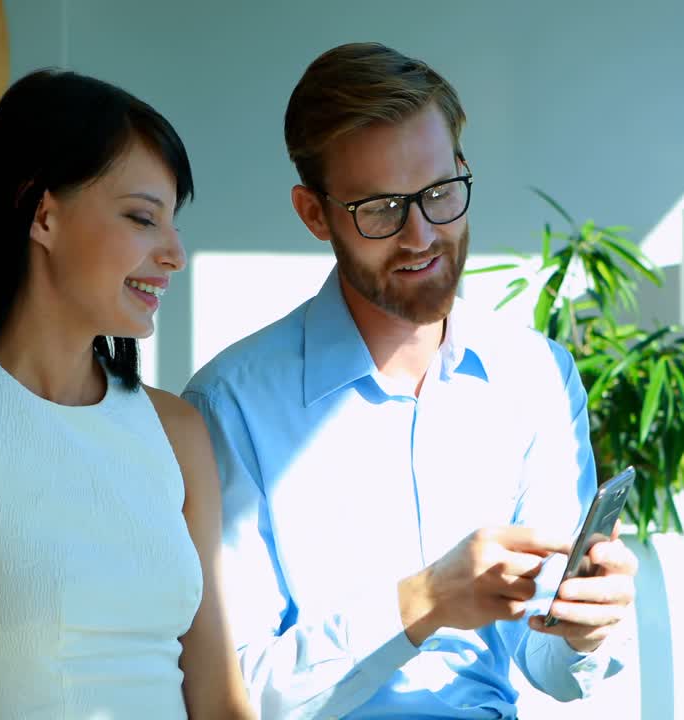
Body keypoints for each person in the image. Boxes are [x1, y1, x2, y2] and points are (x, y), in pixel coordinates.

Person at [183, 42, 638, 719]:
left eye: (439, 193)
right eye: (381, 209)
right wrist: (422, 601)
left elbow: (552, 670)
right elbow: (233, 696)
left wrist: (585, 630)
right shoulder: (231, 405)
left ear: (461, 169)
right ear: (315, 214)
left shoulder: (536, 376)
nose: (422, 234)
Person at [0, 69, 253, 719]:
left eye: (173, 223)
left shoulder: (176, 430)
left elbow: (220, 701)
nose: (174, 253)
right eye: (144, 218)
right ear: (45, 214)